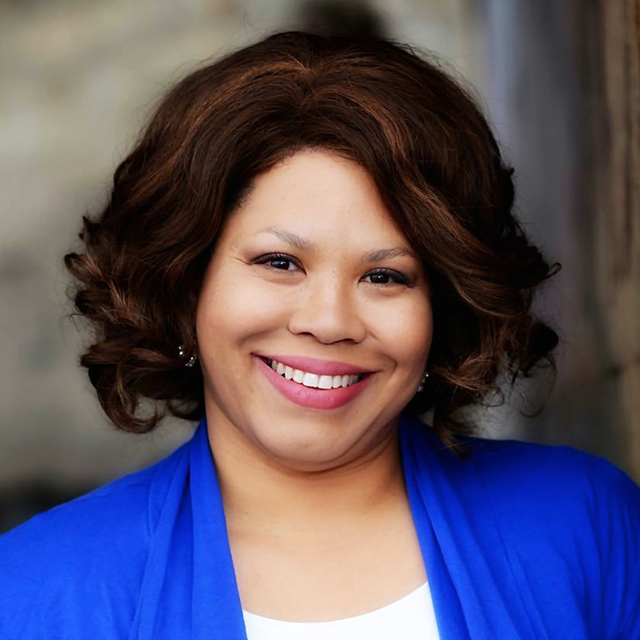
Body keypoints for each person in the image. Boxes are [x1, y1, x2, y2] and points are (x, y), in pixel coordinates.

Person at [1, 30, 638, 640]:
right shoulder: (33, 590)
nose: (330, 321)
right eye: (280, 263)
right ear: (186, 285)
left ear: (443, 309)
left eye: (385, 276)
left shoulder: (585, 525)